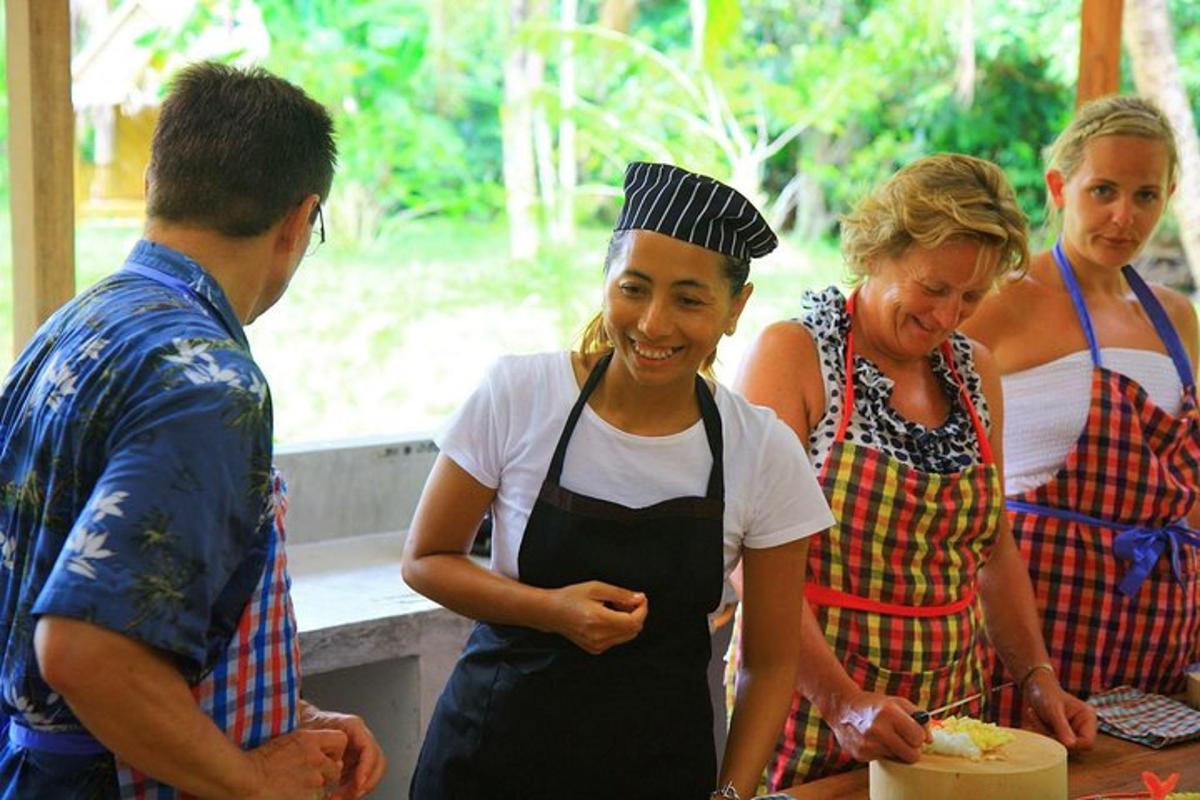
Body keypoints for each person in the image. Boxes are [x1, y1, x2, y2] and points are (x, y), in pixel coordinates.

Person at [0, 62, 385, 799]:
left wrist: (286, 716)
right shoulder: (209, 384)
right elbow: (84, 650)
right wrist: (248, 775)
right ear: (300, 221)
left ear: (155, 184)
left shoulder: (76, 329)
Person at [402, 161, 836, 799]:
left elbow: (769, 666)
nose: (654, 324)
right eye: (633, 288)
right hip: (489, 758)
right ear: (606, 277)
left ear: (736, 308)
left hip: (659, 769)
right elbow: (425, 559)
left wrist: (730, 795)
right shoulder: (519, 393)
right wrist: (551, 611)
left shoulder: (762, 448)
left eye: (689, 299)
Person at [731, 153, 1097, 790]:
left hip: (950, 719)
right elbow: (747, 553)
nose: (948, 317)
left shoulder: (973, 370)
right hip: (812, 707)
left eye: (971, 297)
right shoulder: (796, 354)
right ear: (877, 252)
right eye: (933, 288)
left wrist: (1038, 679)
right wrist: (844, 701)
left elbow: (994, 548)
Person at [961, 96, 1200, 724]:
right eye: (1104, 191)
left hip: (1161, 623)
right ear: (1059, 187)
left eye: (1146, 195)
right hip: (1039, 620)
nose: (1124, 216)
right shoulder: (1001, 303)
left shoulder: (1176, 317)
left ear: (1169, 194)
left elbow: (1189, 486)